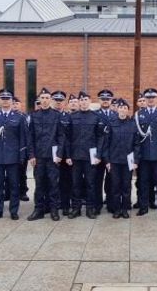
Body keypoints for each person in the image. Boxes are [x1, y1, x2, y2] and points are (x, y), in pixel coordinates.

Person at [0, 89, 28, 221]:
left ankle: (13, 211)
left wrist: (22, 156)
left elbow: (22, 138)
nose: (5, 101)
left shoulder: (19, 117)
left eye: (8, 99)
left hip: (13, 157)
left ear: (12, 101)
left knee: (14, 185)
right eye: (3, 99)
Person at [64, 91, 104, 219]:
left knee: (90, 183)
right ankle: (76, 208)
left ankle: (90, 209)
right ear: (79, 102)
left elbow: (100, 138)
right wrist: (68, 156)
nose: (84, 102)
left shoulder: (96, 116)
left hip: (90, 157)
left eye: (86, 99)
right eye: (81, 100)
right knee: (76, 184)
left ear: (89, 101)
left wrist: (98, 155)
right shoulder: (72, 116)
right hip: (75, 156)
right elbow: (67, 138)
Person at [27, 88, 64, 221]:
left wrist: (59, 153)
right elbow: (30, 137)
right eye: (42, 98)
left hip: (52, 157)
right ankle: (39, 210)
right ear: (39, 100)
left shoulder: (57, 115)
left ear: (51, 100)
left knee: (53, 184)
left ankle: (54, 210)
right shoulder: (33, 116)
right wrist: (31, 155)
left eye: (47, 98)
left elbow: (61, 136)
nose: (44, 100)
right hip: (38, 157)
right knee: (39, 184)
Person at [101, 98, 140, 219]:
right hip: (114, 161)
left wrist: (136, 161)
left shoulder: (133, 124)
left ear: (128, 111)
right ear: (117, 109)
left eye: (125, 108)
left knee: (126, 186)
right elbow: (106, 144)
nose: (122, 110)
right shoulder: (111, 123)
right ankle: (116, 209)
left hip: (128, 161)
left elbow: (137, 144)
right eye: (121, 108)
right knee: (115, 186)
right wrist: (107, 161)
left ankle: (125, 208)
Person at [136, 88, 157, 217]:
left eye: (153, 98)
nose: (150, 100)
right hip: (143, 156)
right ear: (145, 99)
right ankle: (143, 207)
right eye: (148, 98)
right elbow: (137, 137)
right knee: (143, 182)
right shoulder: (139, 114)